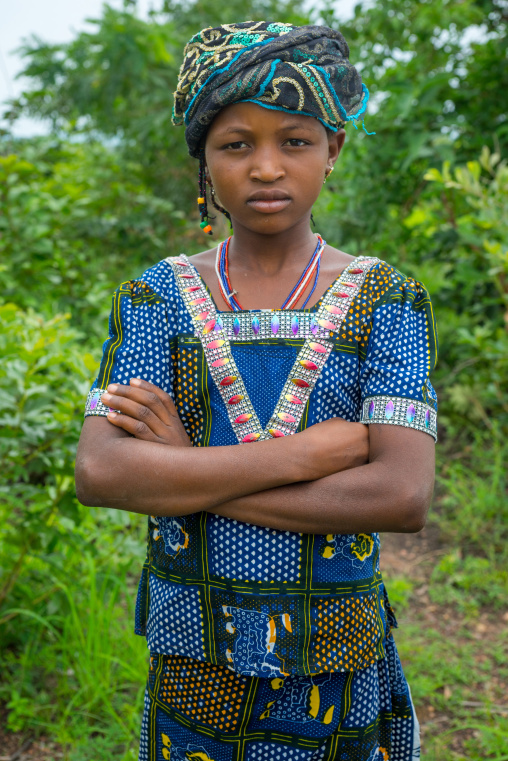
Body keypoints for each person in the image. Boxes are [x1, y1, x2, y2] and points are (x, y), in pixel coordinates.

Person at [75, 21, 437, 761]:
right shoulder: (155, 299)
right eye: (236, 143)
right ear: (203, 162)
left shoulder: (386, 300)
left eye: (295, 141)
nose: (266, 167)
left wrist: (180, 469)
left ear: (332, 151)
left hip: (335, 657)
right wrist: (305, 455)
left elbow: (402, 495)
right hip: (193, 655)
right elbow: (102, 471)